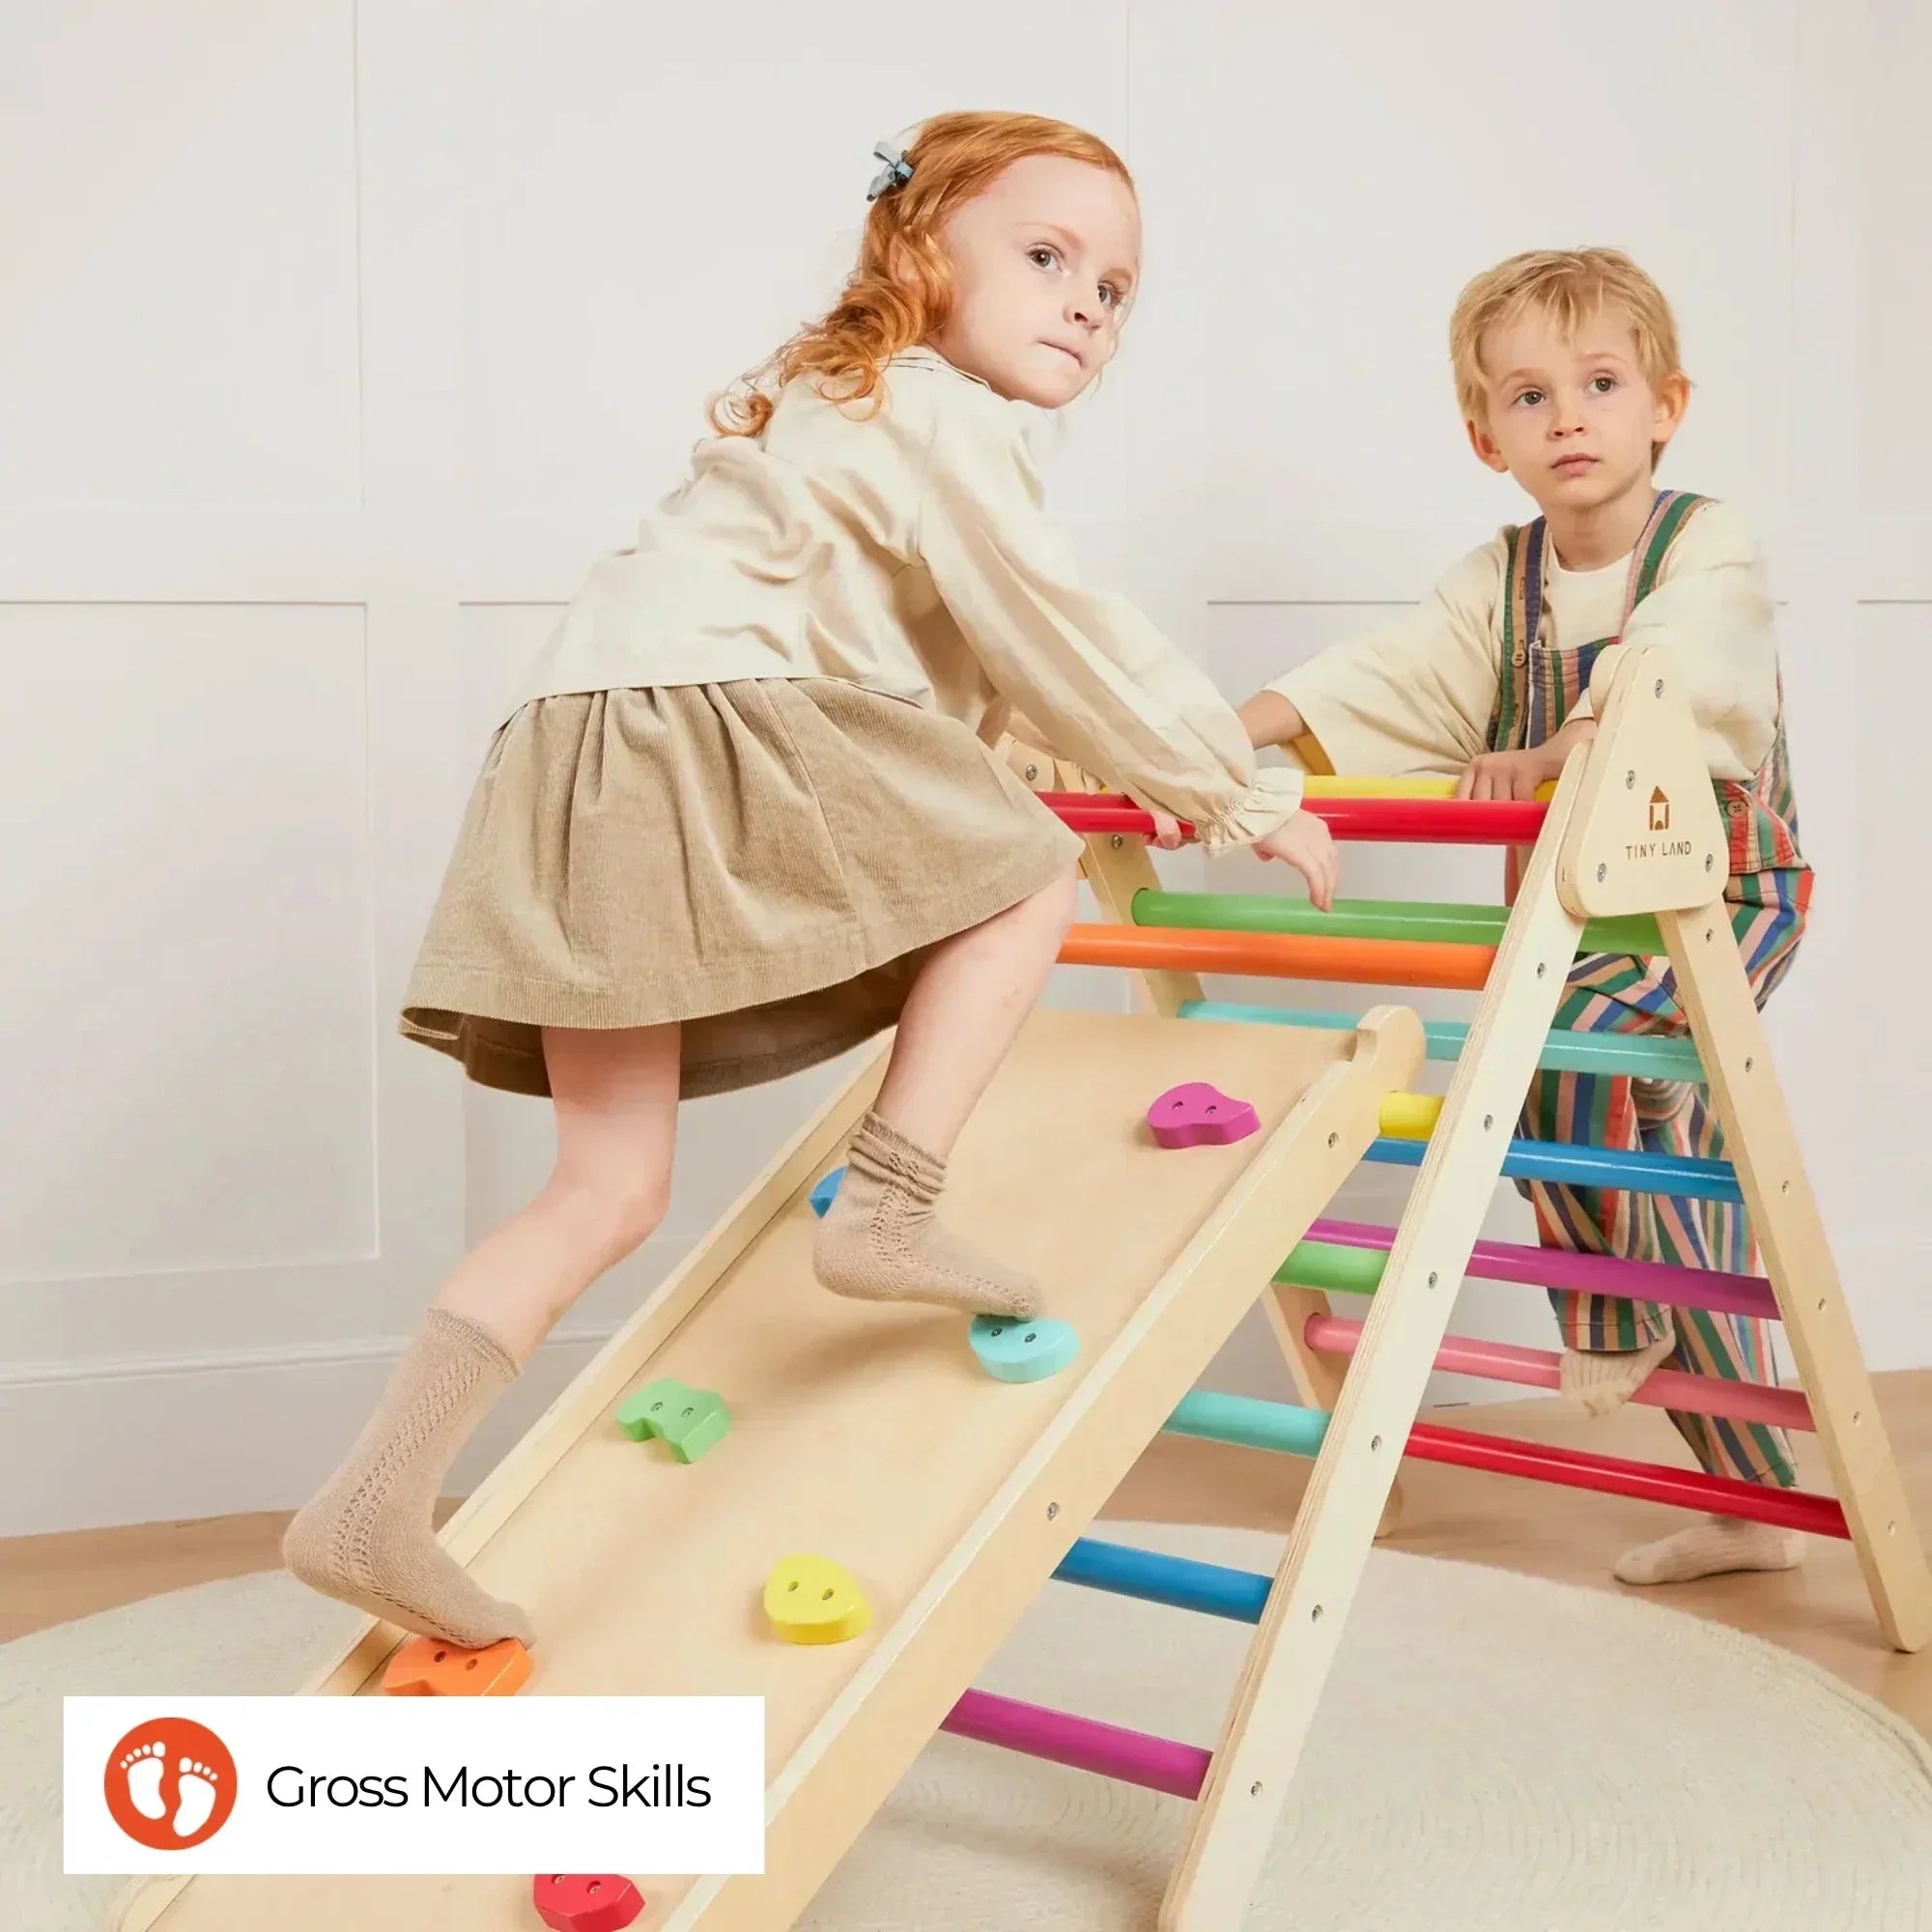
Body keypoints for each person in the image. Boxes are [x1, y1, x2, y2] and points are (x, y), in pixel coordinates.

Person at [281, 110, 1339, 1649]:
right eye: (1046, 259)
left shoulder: (833, 403)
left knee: (605, 1188)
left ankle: (373, 1501)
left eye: (1114, 289)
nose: (1085, 306)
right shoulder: (932, 405)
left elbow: (942, 643)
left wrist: (1030, 754)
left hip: (582, 752)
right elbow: (1051, 616)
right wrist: (1236, 789)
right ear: (922, 253)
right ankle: (892, 1207)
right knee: (1030, 882)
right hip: (709, 731)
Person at [1240, 247, 1811, 1588]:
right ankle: (1751, 1504)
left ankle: (1611, 1316)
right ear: (1483, 433)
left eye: (1600, 384)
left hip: (1720, 893)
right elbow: (1380, 683)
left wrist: (1563, 746)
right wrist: (1199, 736)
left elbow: (1684, 660)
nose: (1569, 417)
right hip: (1576, 918)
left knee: (1557, 1054)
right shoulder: (1495, 585)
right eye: (1530, 394)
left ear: (1664, 403)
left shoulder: (1705, 544)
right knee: (1683, 1187)